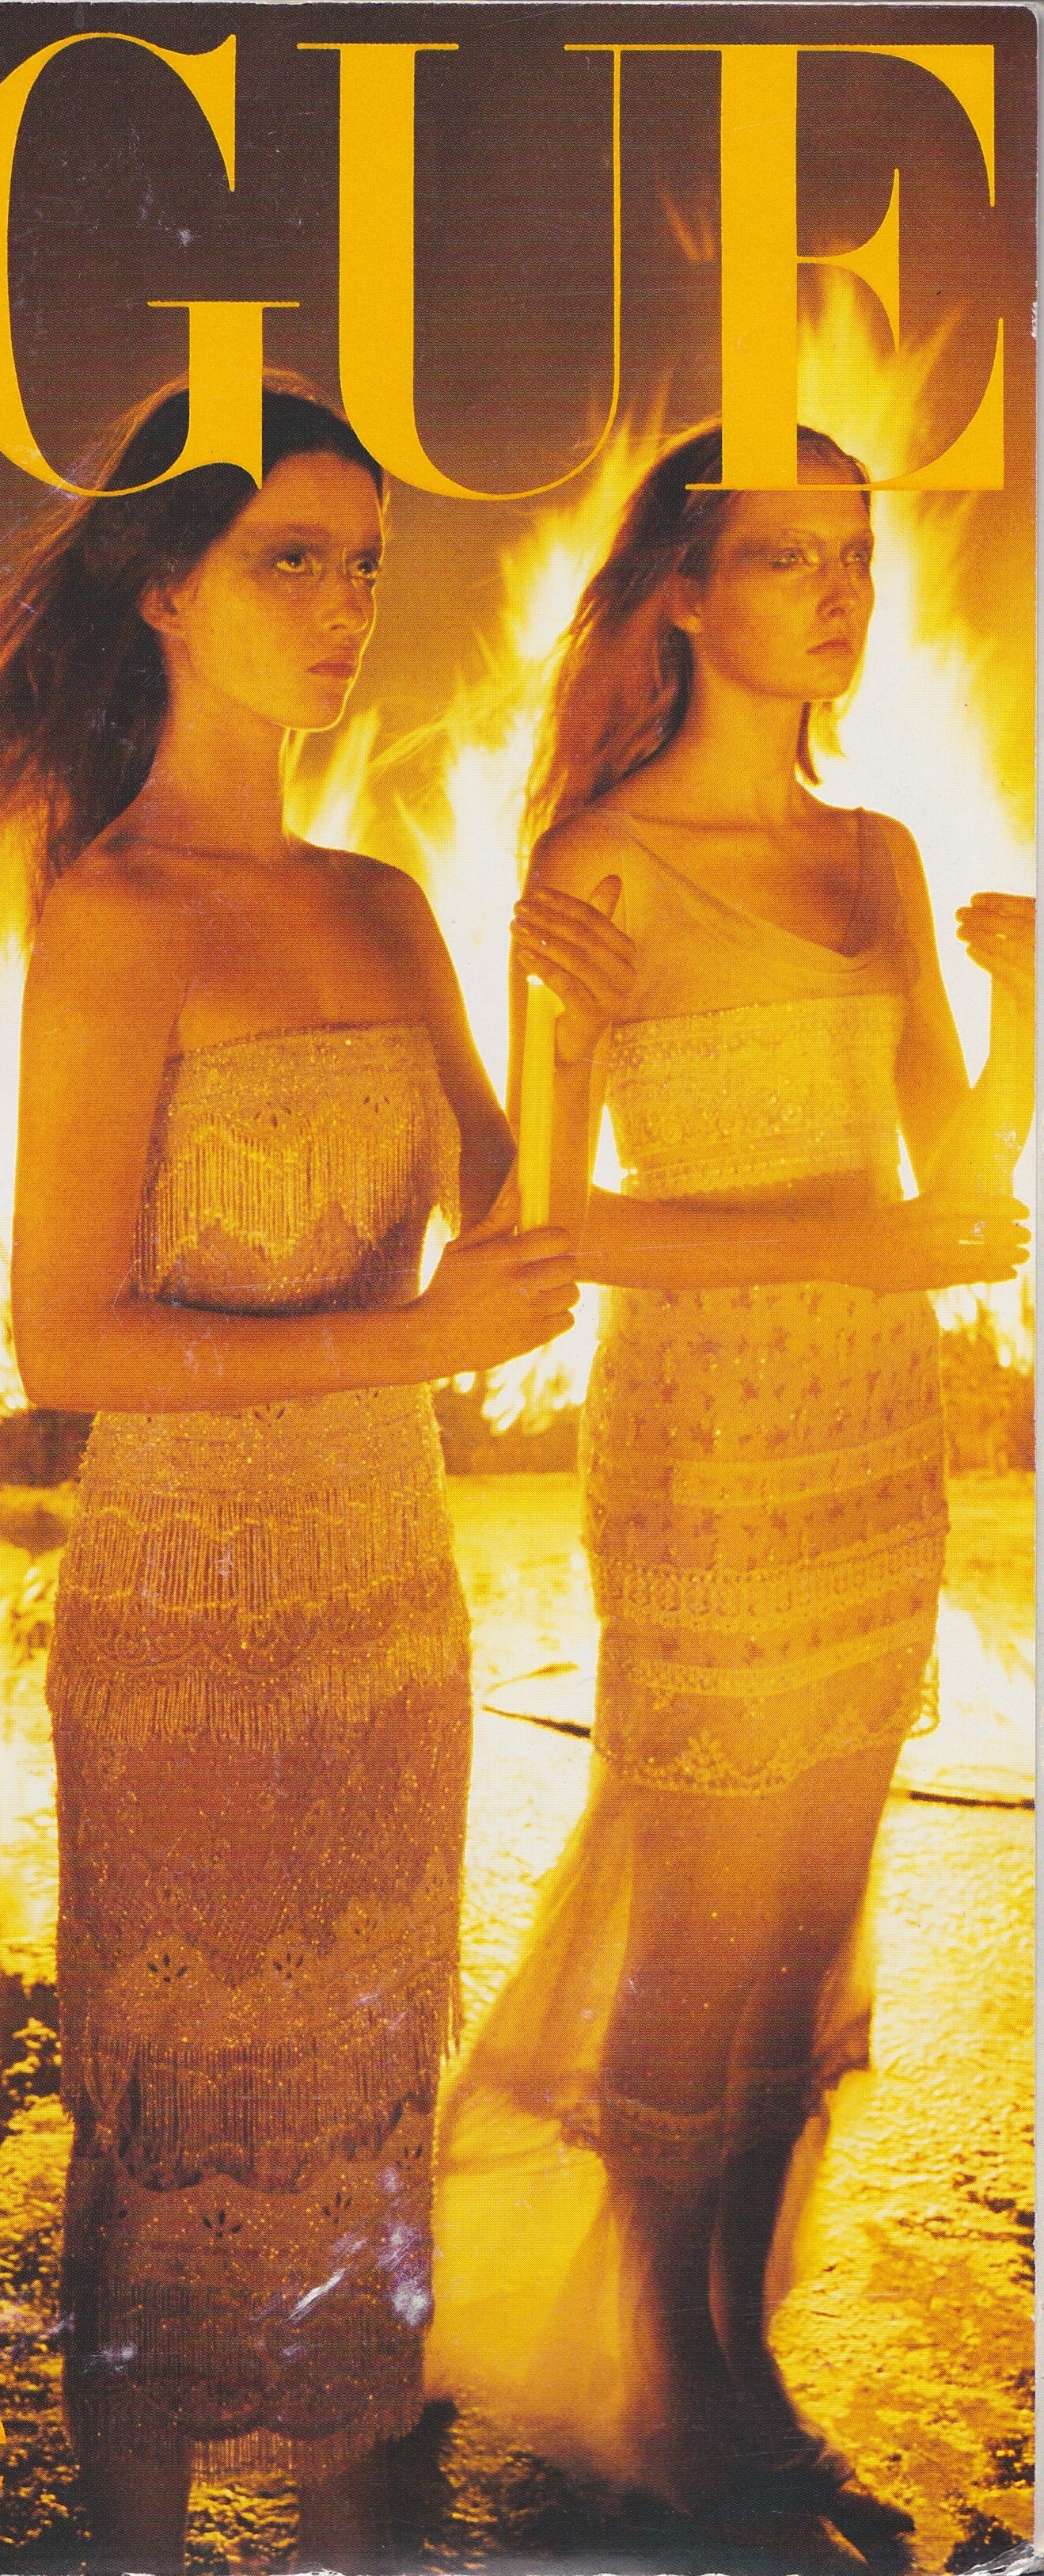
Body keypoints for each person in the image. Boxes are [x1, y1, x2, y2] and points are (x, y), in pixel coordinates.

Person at [0, 378, 580, 2571]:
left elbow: (519, 1226)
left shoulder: (383, 901)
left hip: (390, 1603)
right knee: (179, 2129)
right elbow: (64, 1341)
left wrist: (575, 1001)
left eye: (366, 560)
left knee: (365, 2101)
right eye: (292, 556)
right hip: (188, 1616)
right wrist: (420, 1344)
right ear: (166, 591)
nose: (345, 602)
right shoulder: (113, 912)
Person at [431, 424, 1031, 2560]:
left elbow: (955, 1199)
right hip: (700, 1444)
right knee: (704, 1909)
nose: (836, 588)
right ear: (681, 593)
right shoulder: (595, 865)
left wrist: (1027, 1012)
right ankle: (673, 2370)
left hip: (872, 1436)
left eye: (851, 550)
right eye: (783, 554)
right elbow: (542, 1230)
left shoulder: (879, 854)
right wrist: (850, 1240)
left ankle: (732, 2340)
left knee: (809, 1904)